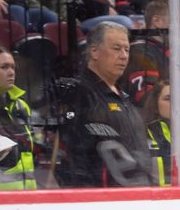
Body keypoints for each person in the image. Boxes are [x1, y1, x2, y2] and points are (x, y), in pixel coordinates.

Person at [57, 21, 152, 187]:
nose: (123, 55)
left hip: (137, 196)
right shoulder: (80, 94)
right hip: (101, 201)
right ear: (94, 51)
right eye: (116, 48)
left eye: (127, 49)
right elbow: (75, 158)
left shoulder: (124, 97)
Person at [140, 80, 180, 186]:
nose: (175, 102)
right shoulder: (143, 139)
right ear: (155, 105)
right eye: (168, 98)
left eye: (178, 97)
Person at [0, 45, 35, 189]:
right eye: (4, 67)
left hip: (30, 194)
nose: (11, 72)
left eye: (13, 67)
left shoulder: (21, 105)